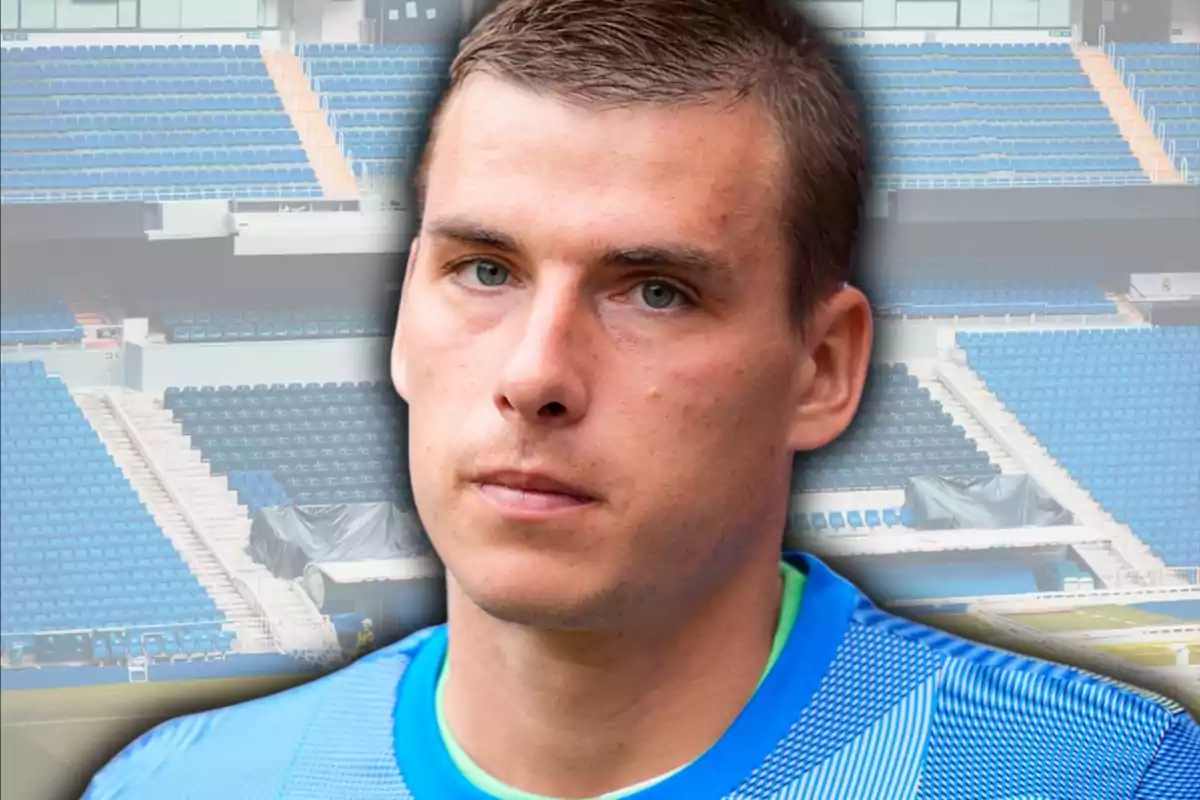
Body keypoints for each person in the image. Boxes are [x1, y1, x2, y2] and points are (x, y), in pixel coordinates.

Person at [85, 1, 1198, 798]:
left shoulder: (1094, 775)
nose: (535, 373)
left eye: (656, 291)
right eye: (484, 270)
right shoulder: (179, 783)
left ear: (823, 368)